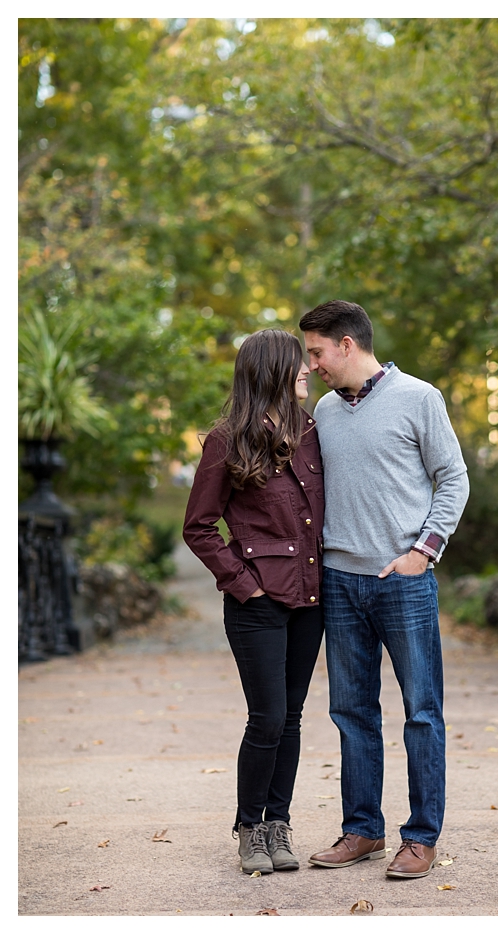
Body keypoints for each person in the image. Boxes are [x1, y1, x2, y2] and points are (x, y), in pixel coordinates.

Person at [295, 300, 469, 880]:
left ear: (347, 344)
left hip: (403, 583)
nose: (312, 363)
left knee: (421, 711)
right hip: (340, 582)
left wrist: (424, 552)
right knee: (351, 712)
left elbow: (453, 477)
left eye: (317, 351)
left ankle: (421, 838)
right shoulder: (323, 408)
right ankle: (362, 830)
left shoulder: (420, 397)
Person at [183, 329, 326, 875]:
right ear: (271, 371)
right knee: (265, 718)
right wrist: (245, 584)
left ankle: (278, 825)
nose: (307, 371)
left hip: (310, 600)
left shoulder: (312, 431)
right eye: (298, 363)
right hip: (257, 605)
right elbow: (198, 527)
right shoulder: (227, 440)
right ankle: (249, 828)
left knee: (290, 718)